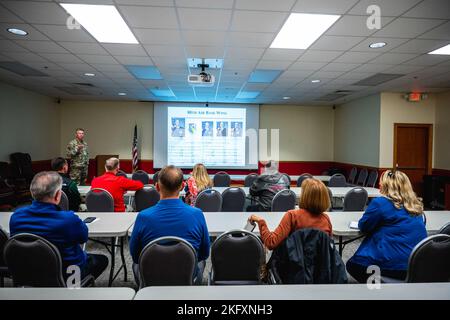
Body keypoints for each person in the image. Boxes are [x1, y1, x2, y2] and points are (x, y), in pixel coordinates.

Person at [9, 171, 108, 281]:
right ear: (57, 195)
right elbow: (83, 238)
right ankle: (75, 288)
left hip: (30, 271)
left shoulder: (16, 217)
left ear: (32, 193)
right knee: (102, 260)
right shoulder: (69, 219)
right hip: (68, 274)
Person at [129, 165, 210, 285]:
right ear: (183, 186)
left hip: (151, 277)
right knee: (201, 262)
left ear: (157, 187)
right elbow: (204, 253)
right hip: (187, 276)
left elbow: (135, 256)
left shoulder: (143, 216)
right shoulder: (197, 214)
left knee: (136, 265)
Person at [346, 170, 427, 283]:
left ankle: (380, 288)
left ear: (386, 186)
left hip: (392, 264)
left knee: (352, 265)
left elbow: (364, 226)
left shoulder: (380, 203)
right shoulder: (416, 205)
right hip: (416, 264)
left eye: (381, 182)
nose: (380, 184)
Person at [248, 178, 332, 250]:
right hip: (318, 267)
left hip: (294, 265)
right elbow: (327, 248)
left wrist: (261, 222)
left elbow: (271, 243)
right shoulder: (326, 219)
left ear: (305, 196)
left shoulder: (292, 215)